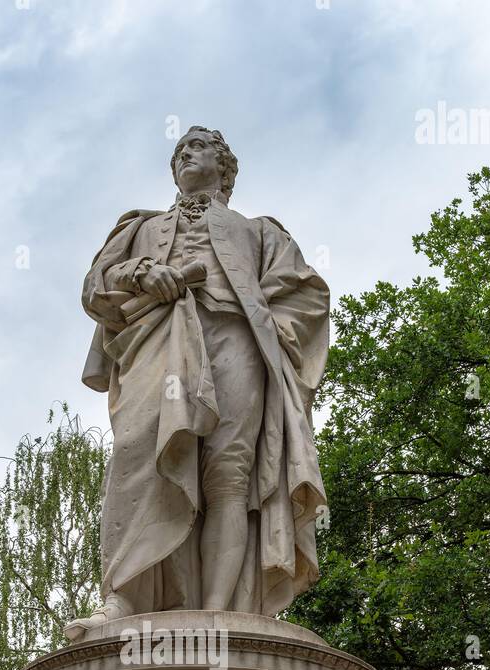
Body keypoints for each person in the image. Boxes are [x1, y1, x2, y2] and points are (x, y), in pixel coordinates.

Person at [68, 125, 329, 638]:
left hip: (237, 341)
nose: (186, 153)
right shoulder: (140, 226)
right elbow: (96, 282)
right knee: (139, 454)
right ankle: (121, 595)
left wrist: (263, 324)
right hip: (160, 340)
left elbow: (309, 296)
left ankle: (219, 613)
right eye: (179, 150)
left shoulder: (261, 232)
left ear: (225, 165)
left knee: (230, 476)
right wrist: (142, 273)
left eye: (199, 146)